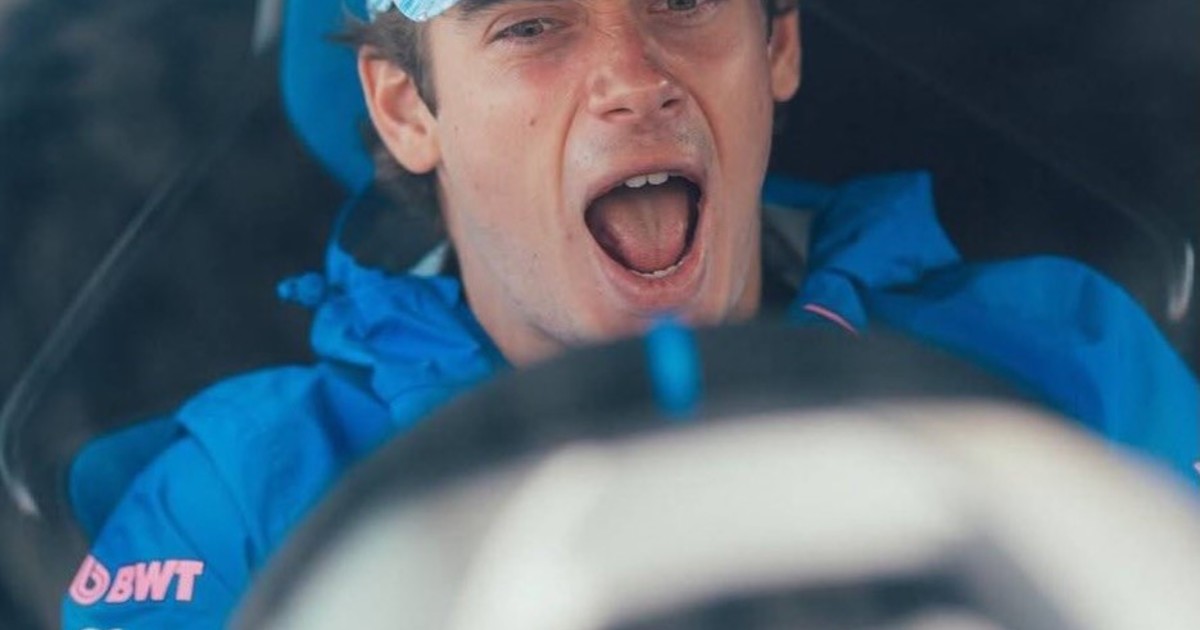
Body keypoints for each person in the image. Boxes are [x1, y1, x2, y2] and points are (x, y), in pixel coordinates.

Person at [62, 0, 1198, 627]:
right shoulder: (239, 502)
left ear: (777, 44)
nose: (631, 77)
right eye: (531, 26)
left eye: (682, 2)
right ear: (409, 109)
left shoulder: (1066, 365)